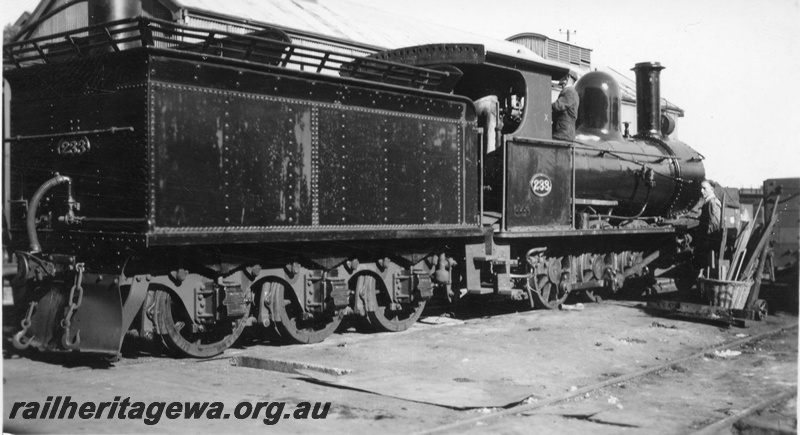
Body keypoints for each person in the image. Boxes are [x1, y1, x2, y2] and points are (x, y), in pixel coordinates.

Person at [551, 70, 579, 141]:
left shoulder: (570, 92)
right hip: (562, 132)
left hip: (562, 134)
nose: (560, 83)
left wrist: (543, 105)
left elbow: (558, 106)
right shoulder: (570, 92)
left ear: (568, 77)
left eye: (562, 79)